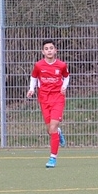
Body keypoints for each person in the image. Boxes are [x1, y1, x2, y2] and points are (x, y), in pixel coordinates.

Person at [26, 39, 69, 168]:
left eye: (51, 48)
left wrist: (64, 87)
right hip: (44, 99)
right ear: (43, 52)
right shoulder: (38, 65)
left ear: (55, 51)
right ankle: (58, 133)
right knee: (50, 130)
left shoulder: (61, 65)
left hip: (58, 98)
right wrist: (31, 89)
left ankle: (52, 158)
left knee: (53, 127)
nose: (49, 50)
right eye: (46, 49)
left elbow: (66, 77)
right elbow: (34, 77)